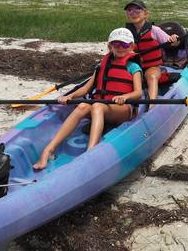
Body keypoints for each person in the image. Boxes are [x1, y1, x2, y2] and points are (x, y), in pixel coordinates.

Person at [32, 28, 143, 170]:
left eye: (125, 45)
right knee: (83, 106)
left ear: (131, 47)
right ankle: (48, 150)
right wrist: (69, 96)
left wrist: (124, 97)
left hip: (122, 110)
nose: (120, 48)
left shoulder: (133, 66)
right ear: (110, 46)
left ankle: (90, 152)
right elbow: (85, 89)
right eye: (116, 44)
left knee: (97, 106)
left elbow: (138, 93)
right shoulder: (102, 65)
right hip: (102, 106)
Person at [124, 0, 179, 106]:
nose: (133, 13)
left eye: (137, 10)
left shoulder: (155, 30)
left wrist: (174, 39)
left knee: (152, 76)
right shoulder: (125, 32)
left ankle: (151, 104)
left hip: (152, 67)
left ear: (145, 14)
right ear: (127, 15)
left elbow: (172, 43)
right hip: (133, 67)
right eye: (130, 10)